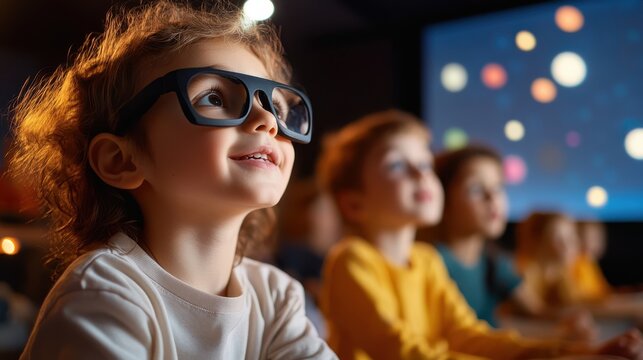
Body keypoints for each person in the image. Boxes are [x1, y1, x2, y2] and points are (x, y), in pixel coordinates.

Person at [9, 1, 335, 358]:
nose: (267, 121)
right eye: (214, 97)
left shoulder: (275, 295)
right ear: (121, 161)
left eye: (278, 107)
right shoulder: (105, 292)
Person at [317, 109, 643, 360]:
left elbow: (466, 334)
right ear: (354, 204)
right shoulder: (351, 261)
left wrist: (572, 352)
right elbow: (400, 350)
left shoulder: (426, 260)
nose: (421, 174)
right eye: (397, 166)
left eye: (425, 163)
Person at [418, 144, 536, 328]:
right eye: (475, 189)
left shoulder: (493, 261)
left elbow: (536, 310)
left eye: (498, 187)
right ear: (442, 198)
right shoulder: (430, 263)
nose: (492, 198)